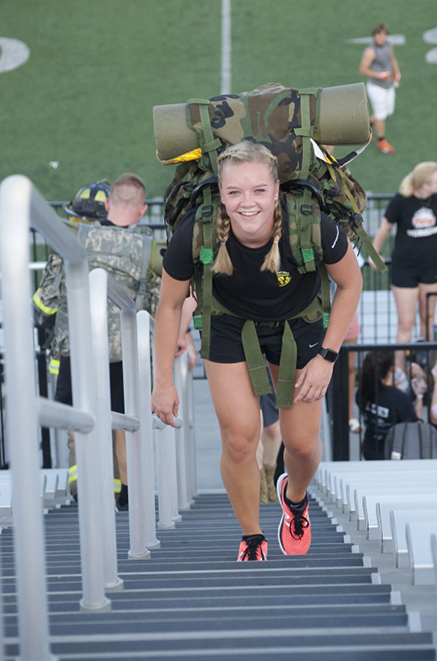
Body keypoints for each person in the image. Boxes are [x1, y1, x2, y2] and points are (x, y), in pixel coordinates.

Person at [152, 141, 362, 561]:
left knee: (301, 445)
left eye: (258, 191)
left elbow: (351, 284)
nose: (247, 203)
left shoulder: (311, 224)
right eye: (234, 193)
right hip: (228, 323)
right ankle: (252, 535)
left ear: (277, 189)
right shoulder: (196, 229)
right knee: (240, 439)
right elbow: (170, 304)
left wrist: (327, 357)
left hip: (300, 322)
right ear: (221, 194)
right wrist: (161, 382)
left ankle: (295, 498)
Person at [34, 174, 162, 507]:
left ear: (108, 204)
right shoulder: (146, 249)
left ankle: (86, 490)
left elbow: (47, 297)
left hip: (77, 349)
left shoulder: (75, 240)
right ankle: (128, 497)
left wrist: (42, 317)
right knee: (125, 423)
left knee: (80, 419)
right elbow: (156, 305)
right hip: (124, 353)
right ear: (142, 209)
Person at [370, 162, 437, 369]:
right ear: (424, 184)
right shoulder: (401, 200)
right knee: (406, 323)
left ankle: (427, 368)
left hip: (433, 268)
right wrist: (374, 254)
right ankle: (400, 371)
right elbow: (384, 228)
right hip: (404, 269)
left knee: (428, 317)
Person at [357, 350, 421, 460]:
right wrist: (420, 396)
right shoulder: (400, 399)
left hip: (369, 447)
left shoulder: (362, 391)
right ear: (391, 369)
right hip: (393, 453)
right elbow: (414, 426)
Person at [359, 23, 401, 154]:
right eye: (378, 34)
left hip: (388, 85)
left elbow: (392, 59)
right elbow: (363, 70)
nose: (381, 37)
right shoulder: (370, 51)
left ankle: (367, 127)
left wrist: (397, 72)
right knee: (381, 114)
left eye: (383, 35)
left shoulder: (389, 45)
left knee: (387, 111)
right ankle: (382, 141)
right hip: (376, 87)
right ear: (374, 36)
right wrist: (379, 75)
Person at [257, 390, 281, 504]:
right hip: (244, 373)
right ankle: (261, 488)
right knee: (254, 427)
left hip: (271, 372)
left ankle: (268, 482)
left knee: (273, 429)